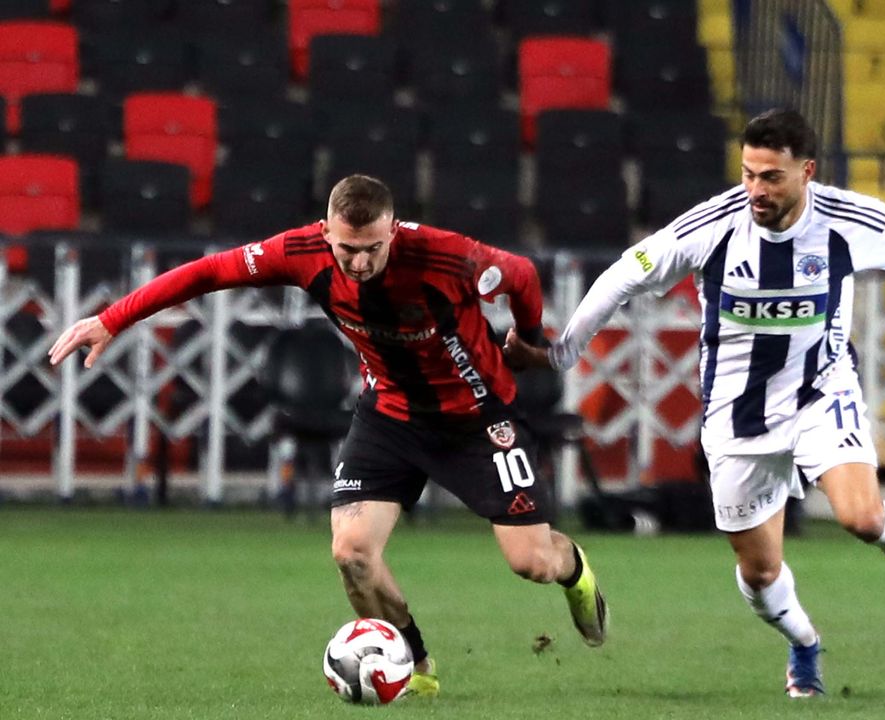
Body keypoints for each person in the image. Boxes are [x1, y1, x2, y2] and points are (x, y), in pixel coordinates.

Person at [504, 109, 885, 698]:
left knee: (863, 517)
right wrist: (562, 353)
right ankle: (804, 643)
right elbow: (622, 277)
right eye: (748, 174)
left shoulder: (849, 221)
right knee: (760, 572)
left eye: (771, 177)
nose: (756, 190)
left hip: (822, 391)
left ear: (806, 172)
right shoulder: (711, 226)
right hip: (737, 417)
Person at [49, 175, 608, 698]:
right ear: (325, 232)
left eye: (373, 249)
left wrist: (528, 339)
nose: (359, 262)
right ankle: (415, 668)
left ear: (393, 231)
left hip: (477, 419)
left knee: (532, 562)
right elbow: (209, 272)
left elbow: (522, 274)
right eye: (348, 250)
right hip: (390, 416)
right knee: (352, 553)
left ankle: (576, 574)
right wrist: (112, 319)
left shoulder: (445, 255)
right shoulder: (300, 252)